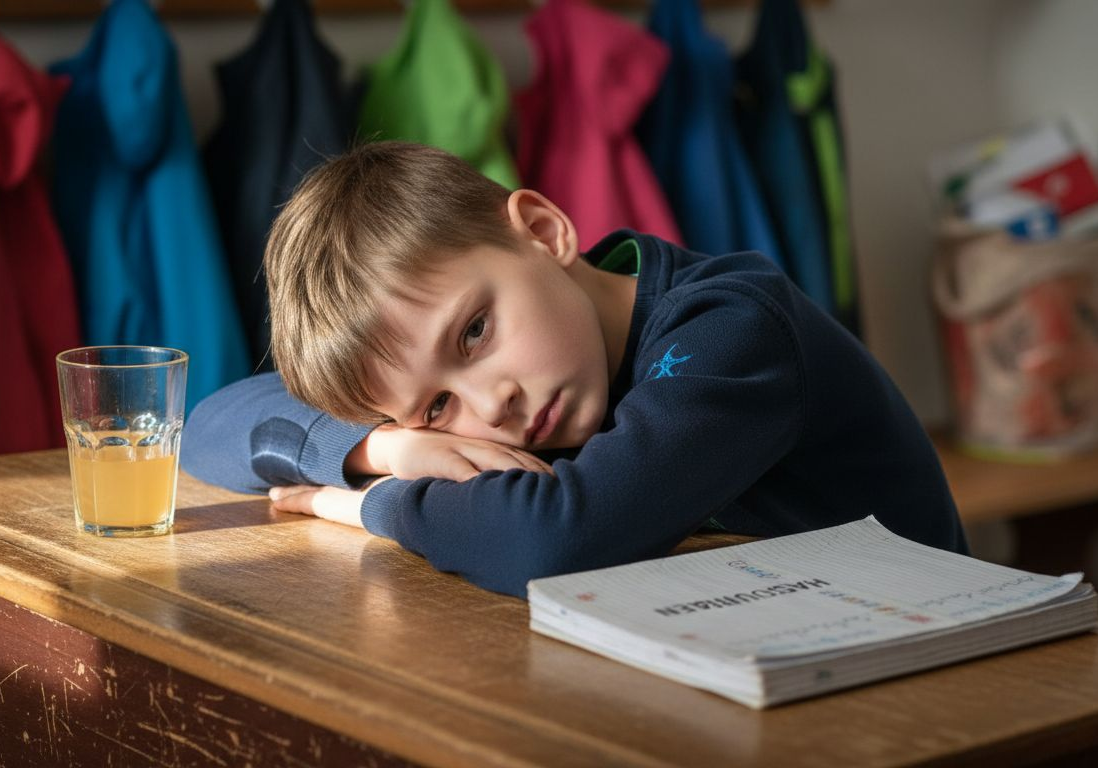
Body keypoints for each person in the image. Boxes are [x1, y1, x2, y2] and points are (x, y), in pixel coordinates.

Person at [181, 141, 967, 597]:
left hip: (944, 676)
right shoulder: (546, 375)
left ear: (543, 229)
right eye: (436, 407)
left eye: (476, 332)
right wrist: (386, 448)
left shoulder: (732, 330)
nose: (494, 405)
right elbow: (208, 429)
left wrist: (368, 504)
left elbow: (556, 540)